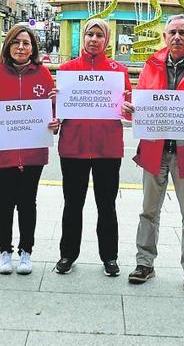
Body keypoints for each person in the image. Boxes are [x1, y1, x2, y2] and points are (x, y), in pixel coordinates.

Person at [122, 14, 184, 293]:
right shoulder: (151, 65)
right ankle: (145, 263)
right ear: (164, 37)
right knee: (148, 211)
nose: (177, 37)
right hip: (155, 149)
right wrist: (131, 109)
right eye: (172, 33)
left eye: (182, 32)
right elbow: (138, 100)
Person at [0, 24, 59, 275]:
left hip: (33, 153)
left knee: (27, 202)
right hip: (1, 152)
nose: (21, 47)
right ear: (8, 46)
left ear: (33, 47)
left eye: (26, 43)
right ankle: (5, 250)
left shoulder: (44, 75)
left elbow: (53, 110)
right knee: (3, 202)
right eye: (16, 42)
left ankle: (26, 251)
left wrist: (55, 122)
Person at [54, 18, 131, 277]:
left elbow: (129, 111)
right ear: (83, 37)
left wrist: (130, 108)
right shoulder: (67, 70)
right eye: (90, 34)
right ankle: (67, 254)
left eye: (99, 35)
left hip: (107, 149)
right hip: (73, 147)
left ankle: (109, 256)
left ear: (106, 40)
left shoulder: (118, 71)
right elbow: (55, 113)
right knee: (72, 204)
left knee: (106, 205)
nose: (94, 39)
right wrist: (54, 106)